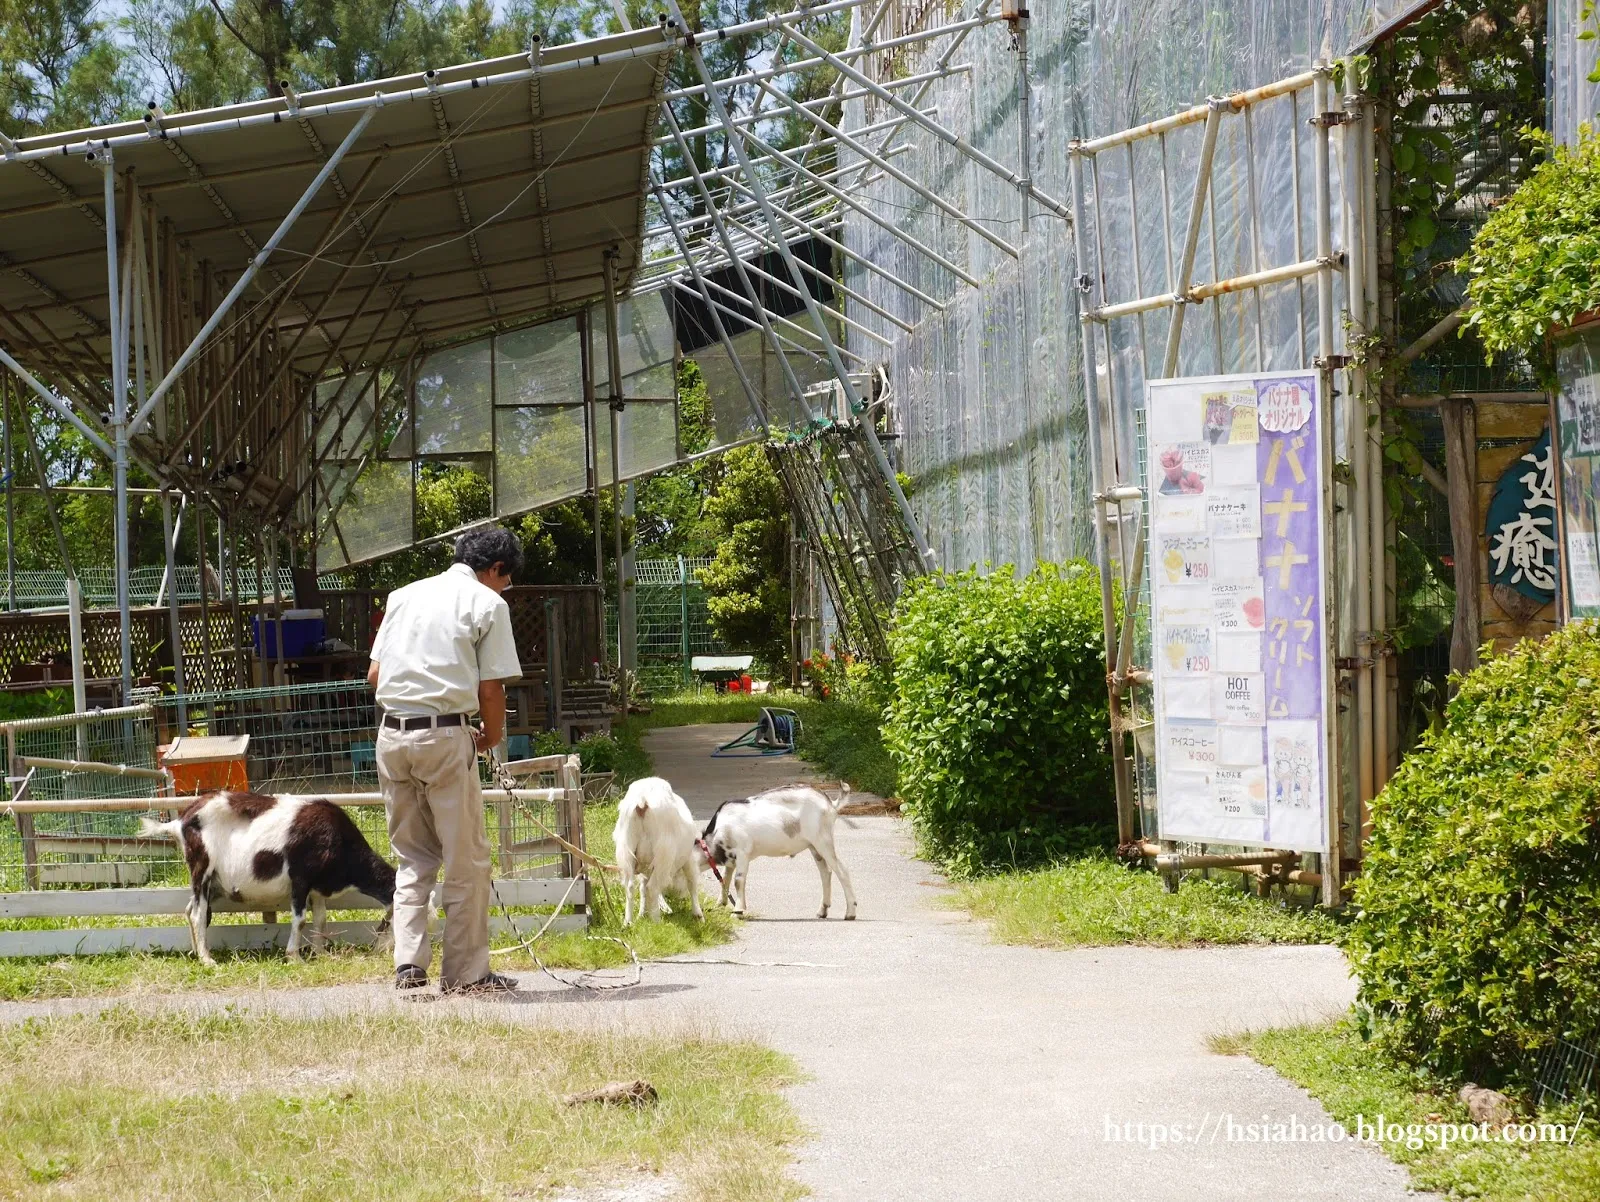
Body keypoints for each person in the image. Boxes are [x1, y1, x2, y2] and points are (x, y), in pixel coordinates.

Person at [367, 525, 524, 994]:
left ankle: (408, 965)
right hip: (445, 736)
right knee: (467, 859)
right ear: (495, 569)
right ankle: (467, 975)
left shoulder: (403, 595)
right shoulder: (487, 604)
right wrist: (489, 738)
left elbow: (375, 675)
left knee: (412, 856)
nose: (505, 587)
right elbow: (491, 688)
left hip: (391, 736)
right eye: (507, 578)